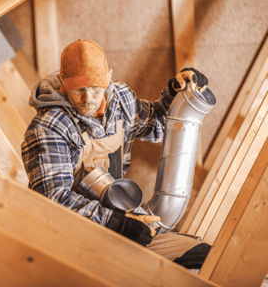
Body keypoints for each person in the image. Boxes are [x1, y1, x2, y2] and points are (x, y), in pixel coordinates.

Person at [22, 39, 210, 270]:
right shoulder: (49, 127)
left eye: (95, 86)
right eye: (79, 89)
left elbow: (157, 125)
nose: (88, 97)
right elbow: (53, 199)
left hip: (118, 219)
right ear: (62, 82)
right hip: (68, 238)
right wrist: (114, 223)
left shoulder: (121, 100)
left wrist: (175, 94)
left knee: (203, 259)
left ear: (108, 77)